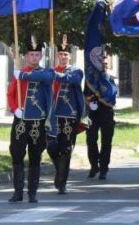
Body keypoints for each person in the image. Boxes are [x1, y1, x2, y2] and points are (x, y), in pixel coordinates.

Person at [6, 38, 55, 203]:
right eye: (31, 54)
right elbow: (10, 95)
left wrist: (23, 75)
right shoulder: (19, 74)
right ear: (26, 56)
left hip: (38, 122)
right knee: (17, 155)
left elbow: (44, 77)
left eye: (37, 54)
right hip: (21, 121)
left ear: (41, 56)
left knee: (35, 156)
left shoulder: (46, 73)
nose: (34, 58)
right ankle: (18, 192)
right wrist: (14, 109)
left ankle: (32, 193)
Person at [47, 37, 84, 194]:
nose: (63, 57)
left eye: (65, 54)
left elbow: (74, 80)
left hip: (69, 116)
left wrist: (57, 75)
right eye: (61, 54)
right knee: (51, 147)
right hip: (52, 116)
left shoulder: (76, 71)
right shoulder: (50, 71)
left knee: (66, 148)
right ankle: (59, 172)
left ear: (70, 57)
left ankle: (62, 183)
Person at [85, 54, 117, 180]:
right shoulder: (91, 79)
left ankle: (104, 168)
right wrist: (89, 102)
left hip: (107, 113)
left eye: (105, 63)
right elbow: (86, 95)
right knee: (91, 140)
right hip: (93, 113)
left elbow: (113, 95)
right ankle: (94, 166)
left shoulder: (111, 80)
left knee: (106, 142)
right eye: (101, 63)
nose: (103, 65)